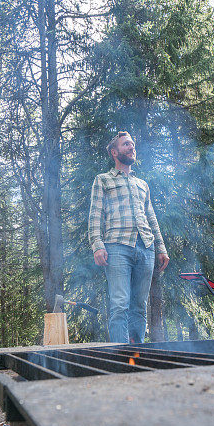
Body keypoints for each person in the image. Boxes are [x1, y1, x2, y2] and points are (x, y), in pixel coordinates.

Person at [88, 131, 169, 343]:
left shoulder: (142, 184)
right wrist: (97, 245)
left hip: (146, 247)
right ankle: (120, 358)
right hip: (116, 246)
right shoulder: (102, 180)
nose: (131, 147)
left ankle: (137, 356)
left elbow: (151, 217)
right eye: (126, 144)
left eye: (132, 144)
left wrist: (161, 248)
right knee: (119, 304)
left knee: (139, 307)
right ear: (115, 152)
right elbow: (95, 215)